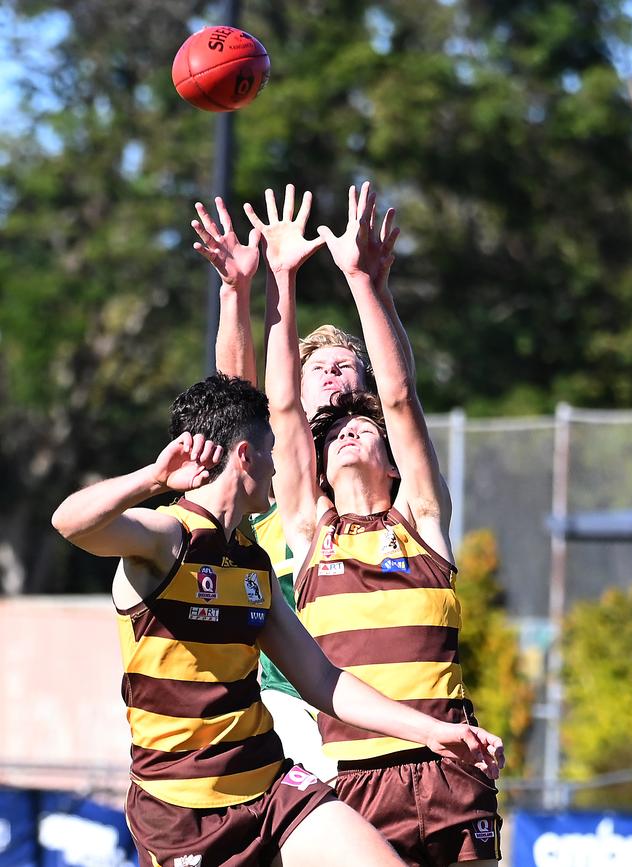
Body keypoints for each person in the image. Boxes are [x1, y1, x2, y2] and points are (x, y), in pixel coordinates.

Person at [51, 371, 504, 867]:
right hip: (181, 811)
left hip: (271, 785)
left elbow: (322, 680)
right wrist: (155, 479)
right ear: (245, 456)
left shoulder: (251, 562)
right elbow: (70, 522)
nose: (278, 467)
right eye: (271, 451)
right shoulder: (167, 539)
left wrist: (433, 731)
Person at [243, 182, 504, 866]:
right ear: (318, 469)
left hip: (450, 765)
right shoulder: (309, 531)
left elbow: (397, 395)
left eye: (367, 430)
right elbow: (284, 412)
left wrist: (367, 280)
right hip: (353, 781)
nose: (354, 432)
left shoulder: (422, 521)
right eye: (340, 433)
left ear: (393, 462)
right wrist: (281, 280)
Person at [191, 189, 403, 780]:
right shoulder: (273, 470)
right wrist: (237, 291)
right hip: (287, 695)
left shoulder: (387, 466)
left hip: (382, 687)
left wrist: (371, 286)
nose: (333, 377)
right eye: (319, 368)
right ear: (297, 390)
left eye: (345, 367)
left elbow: (401, 395)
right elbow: (238, 397)